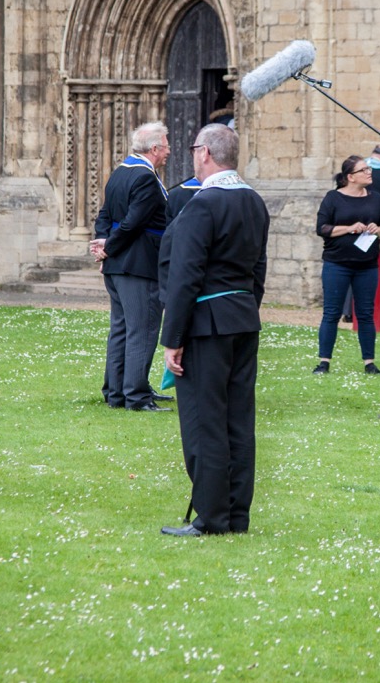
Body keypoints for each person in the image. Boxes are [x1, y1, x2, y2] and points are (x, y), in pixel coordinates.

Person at [159, 124, 270, 536]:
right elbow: (258, 269)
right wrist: (245, 308)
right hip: (242, 317)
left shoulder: (203, 205)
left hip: (206, 323)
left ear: (204, 152)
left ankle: (211, 517)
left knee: (205, 421)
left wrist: (173, 339)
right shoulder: (254, 201)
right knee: (238, 419)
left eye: (193, 148)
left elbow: (184, 277)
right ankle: (236, 514)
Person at [90, 121, 172, 412]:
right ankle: (136, 396)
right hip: (138, 265)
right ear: (154, 148)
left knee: (122, 329)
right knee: (143, 330)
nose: (169, 151)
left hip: (118, 265)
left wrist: (103, 243)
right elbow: (132, 223)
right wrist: (107, 247)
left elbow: (104, 215)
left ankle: (116, 392)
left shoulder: (121, 172)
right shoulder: (145, 177)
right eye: (166, 146)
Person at [313, 155, 380, 375]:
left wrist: (377, 229)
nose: (369, 172)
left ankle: (369, 363)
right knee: (332, 312)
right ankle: (324, 362)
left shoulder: (376, 198)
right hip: (337, 264)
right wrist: (348, 228)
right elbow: (322, 228)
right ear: (350, 177)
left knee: (365, 313)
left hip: (367, 265)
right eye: (363, 170)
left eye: (369, 169)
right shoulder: (333, 198)